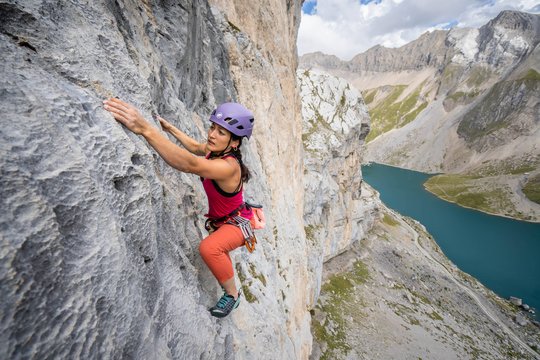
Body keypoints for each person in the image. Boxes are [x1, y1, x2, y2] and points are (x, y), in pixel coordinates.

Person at [103, 98, 256, 318]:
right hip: (225, 220)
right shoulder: (217, 152)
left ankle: (232, 295)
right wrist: (170, 129)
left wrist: (145, 129)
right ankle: (227, 277)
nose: (212, 134)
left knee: (210, 248)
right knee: (217, 249)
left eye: (221, 132)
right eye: (213, 127)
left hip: (238, 223)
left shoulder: (228, 167)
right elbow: (195, 147)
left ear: (235, 143)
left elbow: (191, 164)